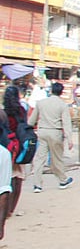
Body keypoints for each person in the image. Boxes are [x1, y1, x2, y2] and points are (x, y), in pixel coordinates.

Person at [28, 82, 74, 192]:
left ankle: (37, 185)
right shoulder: (62, 105)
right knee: (56, 158)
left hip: (42, 131)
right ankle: (62, 180)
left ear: (51, 90)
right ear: (61, 92)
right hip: (55, 132)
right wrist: (69, 139)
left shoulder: (41, 103)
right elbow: (66, 123)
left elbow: (31, 120)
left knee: (39, 159)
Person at [3, 86, 28, 217]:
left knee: (6, 178)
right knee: (18, 177)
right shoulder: (22, 111)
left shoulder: (3, 112)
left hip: (7, 146)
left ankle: (5, 209)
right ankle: (11, 209)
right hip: (19, 147)